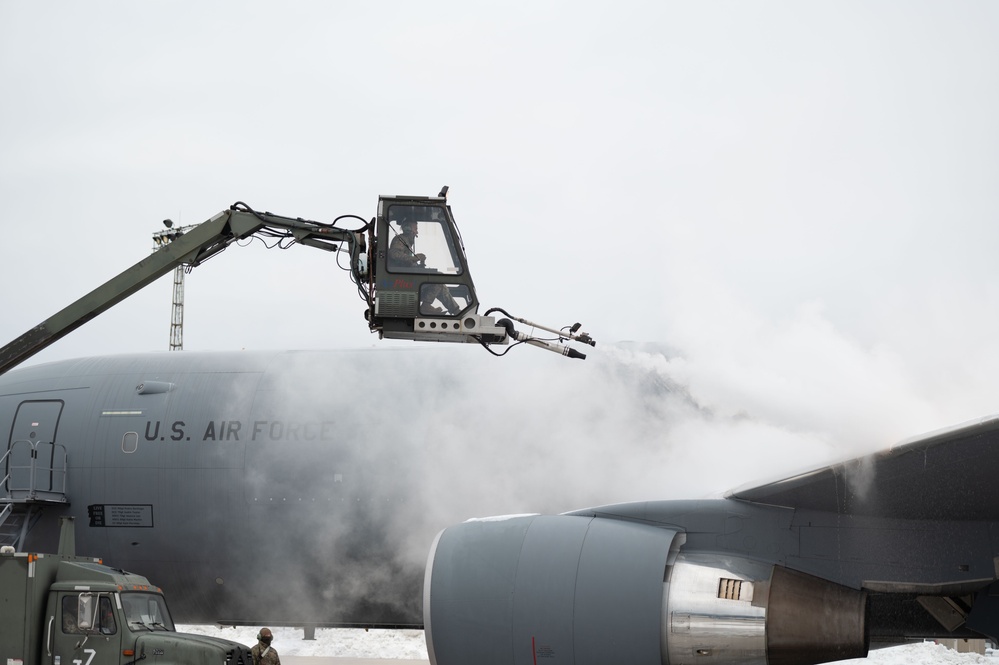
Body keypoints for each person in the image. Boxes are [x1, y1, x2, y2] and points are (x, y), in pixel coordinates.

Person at [388, 218, 462, 316]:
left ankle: (456, 311)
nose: (417, 231)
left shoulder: (407, 244)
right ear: (407, 228)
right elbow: (394, 253)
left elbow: (408, 263)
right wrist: (414, 258)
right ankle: (426, 306)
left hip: (409, 280)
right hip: (403, 282)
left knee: (440, 285)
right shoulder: (400, 240)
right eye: (415, 228)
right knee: (438, 278)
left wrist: (420, 265)